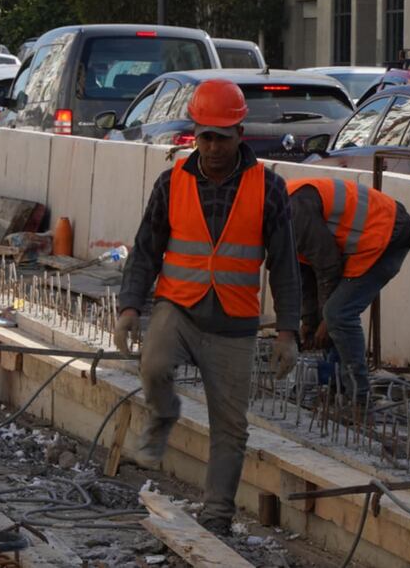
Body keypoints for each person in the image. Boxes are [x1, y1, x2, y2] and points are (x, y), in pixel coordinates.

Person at [115, 78, 300, 536]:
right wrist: (129, 307)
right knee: (153, 366)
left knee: (231, 428)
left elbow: (285, 266)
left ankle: (216, 516)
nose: (214, 147)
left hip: (233, 323)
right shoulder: (171, 182)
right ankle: (163, 414)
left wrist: (288, 331)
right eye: (206, 137)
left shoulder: (269, 188)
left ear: (241, 134)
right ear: (195, 135)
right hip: (178, 308)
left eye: (222, 136)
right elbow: (144, 251)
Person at [288, 178, 410, 400]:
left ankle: (358, 398)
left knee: (338, 314)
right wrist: (310, 322)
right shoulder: (281, 217)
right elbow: (305, 271)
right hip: (366, 240)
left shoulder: (293, 211)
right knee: (328, 314)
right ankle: (337, 387)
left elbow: (327, 264)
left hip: (387, 234)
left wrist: (325, 322)